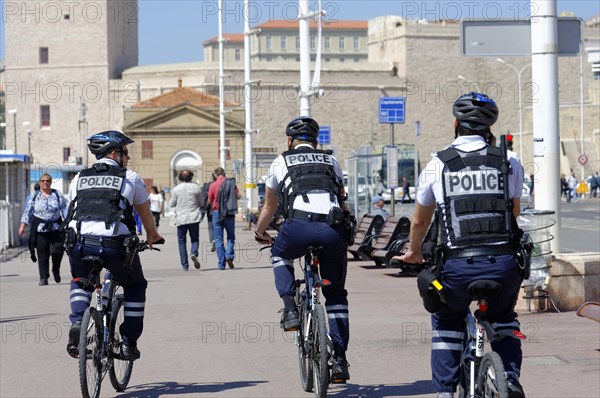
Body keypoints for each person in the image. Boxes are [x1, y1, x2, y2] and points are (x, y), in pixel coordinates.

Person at [394, 92, 526, 398]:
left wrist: (413, 252)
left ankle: (443, 392)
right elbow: (514, 211)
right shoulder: (509, 160)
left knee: (447, 319)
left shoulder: (437, 164)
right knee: (504, 317)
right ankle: (509, 376)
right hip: (504, 264)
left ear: (456, 124)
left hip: (456, 267)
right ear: (490, 127)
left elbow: (419, 222)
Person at [254, 116, 352, 382]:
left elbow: (269, 206)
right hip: (333, 232)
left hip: (297, 228)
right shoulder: (332, 160)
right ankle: (340, 358)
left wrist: (260, 232)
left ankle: (289, 309)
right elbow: (343, 201)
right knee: (336, 295)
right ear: (316, 141)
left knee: (279, 254)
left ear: (289, 141)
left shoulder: (280, 161)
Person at [63, 130, 163, 360]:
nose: (128, 158)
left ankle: (78, 323)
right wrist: (152, 236)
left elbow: (73, 210)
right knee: (135, 286)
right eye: (126, 153)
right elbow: (145, 213)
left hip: (79, 244)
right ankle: (128, 342)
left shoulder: (79, 178)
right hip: (113, 246)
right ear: (114, 153)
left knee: (81, 281)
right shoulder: (130, 177)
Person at [18, 174, 68, 286]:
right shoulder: (34, 196)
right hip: (40, 230)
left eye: (48, 180)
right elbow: (28, 211)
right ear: (40, 182)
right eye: (43, 181)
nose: (45, 182)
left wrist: (68, 223)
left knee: (57, 251)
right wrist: (23, 225)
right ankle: (43, 277)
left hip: (55, 228)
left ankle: (56, 270)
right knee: (42, 254)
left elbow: (64, 210)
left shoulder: (57, 194)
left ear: (51, 182)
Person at [207, 167, 241, 270]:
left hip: (217, 213)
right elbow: (238, 196)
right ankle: (229, 255)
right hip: (229, 213)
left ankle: (221, 264)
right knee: (231, 236)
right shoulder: (231, 183)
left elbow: (209, 200)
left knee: (218, 239)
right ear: (224, 174)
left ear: (215, 175)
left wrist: (215, 203)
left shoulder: (213, 185)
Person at [169, 169, 203, 270]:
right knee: (195, 239)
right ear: (191, 176)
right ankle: (193, 252)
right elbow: (201, 203)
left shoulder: (176, 189)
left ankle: (185, 265)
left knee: (182, 242)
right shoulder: (196, 188)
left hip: (181, 218)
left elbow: (171, 204)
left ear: (180, 177)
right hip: (194, 217)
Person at [200, 173, 216, 252]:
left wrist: (202, 211)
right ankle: (218, 241)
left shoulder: (207, 185)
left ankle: (213, 240)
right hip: (221, 210)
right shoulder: (224, 184)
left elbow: (204, 197)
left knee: (211, 226)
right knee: (219, 226)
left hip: (210, 209)